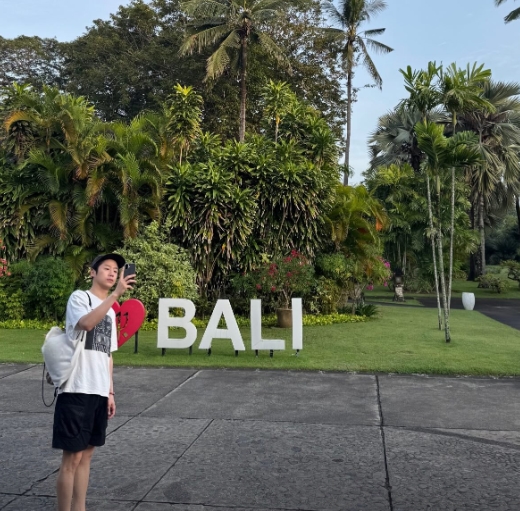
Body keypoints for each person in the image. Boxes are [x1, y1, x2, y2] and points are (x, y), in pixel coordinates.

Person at [52, 253, 135, 511]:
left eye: (116, 270)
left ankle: (80, 508)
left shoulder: (110, 311)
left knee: (87, 455)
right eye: (107, 268)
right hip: (76, 389)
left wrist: (110, 392)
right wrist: (116, 295)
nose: (112, 273)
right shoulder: (80, 298)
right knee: (72, 458)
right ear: (92, 272)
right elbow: (86, 324)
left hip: (98, 390)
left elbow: (107, 354)